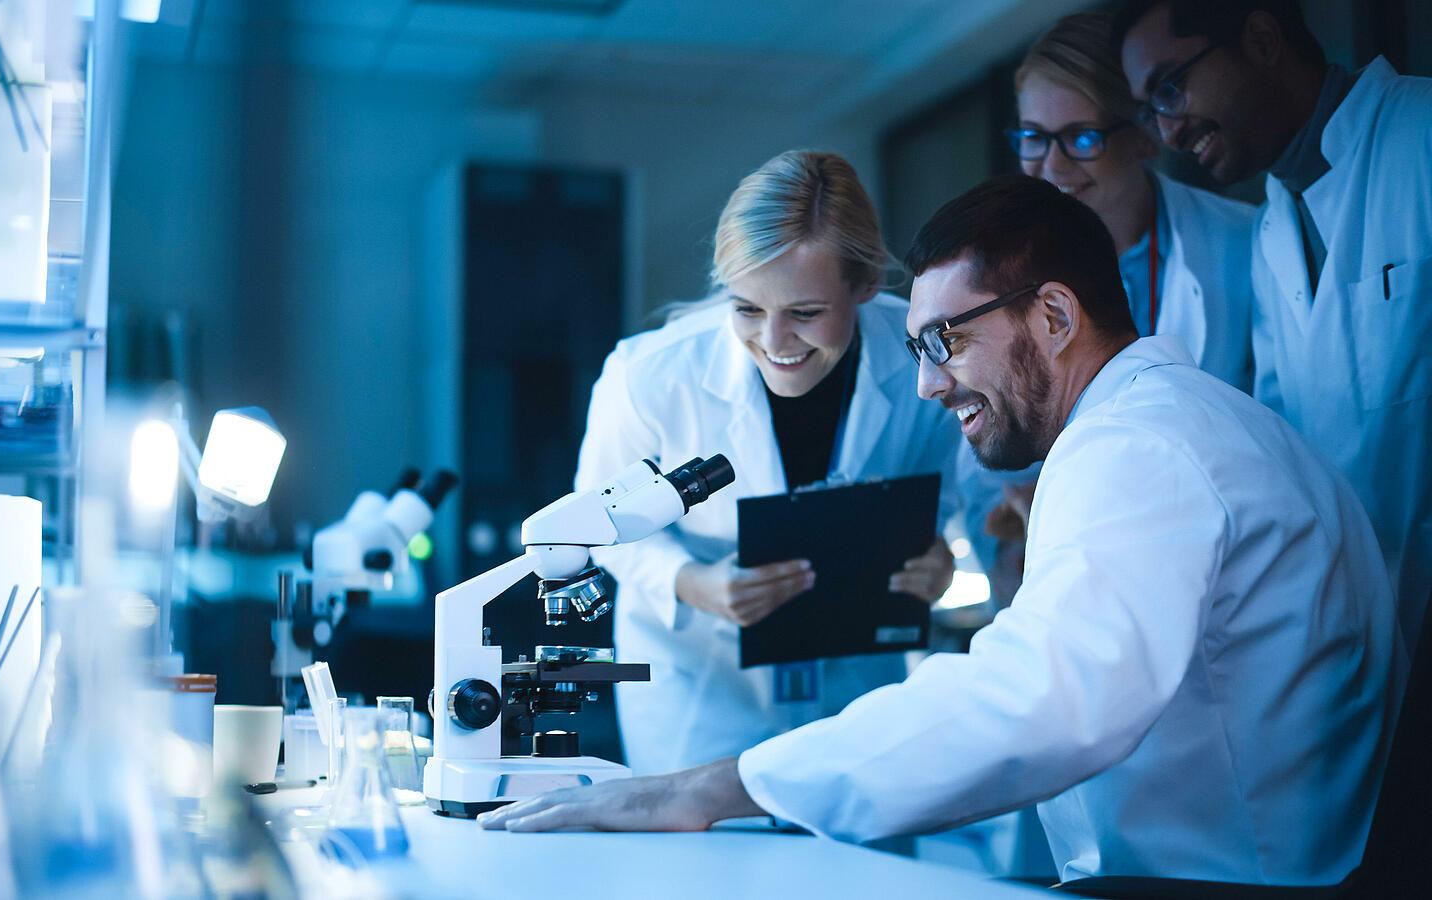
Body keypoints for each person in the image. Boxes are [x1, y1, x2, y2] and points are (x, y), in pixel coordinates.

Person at [481, 176, 1404, 889]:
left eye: (944, 342)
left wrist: (719, 786)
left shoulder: (1138, 450)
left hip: (1229, 878)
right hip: (1251, 856)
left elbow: (1043, 697)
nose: (925, 383)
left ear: (1053, 315)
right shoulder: (1180, 420)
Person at [572, 150, 960, 776]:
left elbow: (946, 488)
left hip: (858, 676)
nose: (774, 344)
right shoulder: (648, 376)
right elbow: (599, 528)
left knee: (861, 859)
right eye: (747, 308)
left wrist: (935, 554)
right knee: (713, 862)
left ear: (863, 287)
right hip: (702, 683)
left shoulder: (921, 354)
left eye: (805, 313)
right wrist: (691, 583)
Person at [1116, 0, 1432, 649]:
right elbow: (1295, 459)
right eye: (1152, 109)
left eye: (1171, 88)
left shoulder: (1422, 137)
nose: (1169, 132)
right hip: (1369, 638)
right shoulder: (1270, 232)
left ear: (1261, 39)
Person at [965, 10, 1260, 603]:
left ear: (1146, 132)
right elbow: (976, 460)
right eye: (1033, 137)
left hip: (1230, 566)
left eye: (1082, 137)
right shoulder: (999, 280)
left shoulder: (1244, 246)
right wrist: (1010, 528)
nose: (1051, 167)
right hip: (1078, 575)